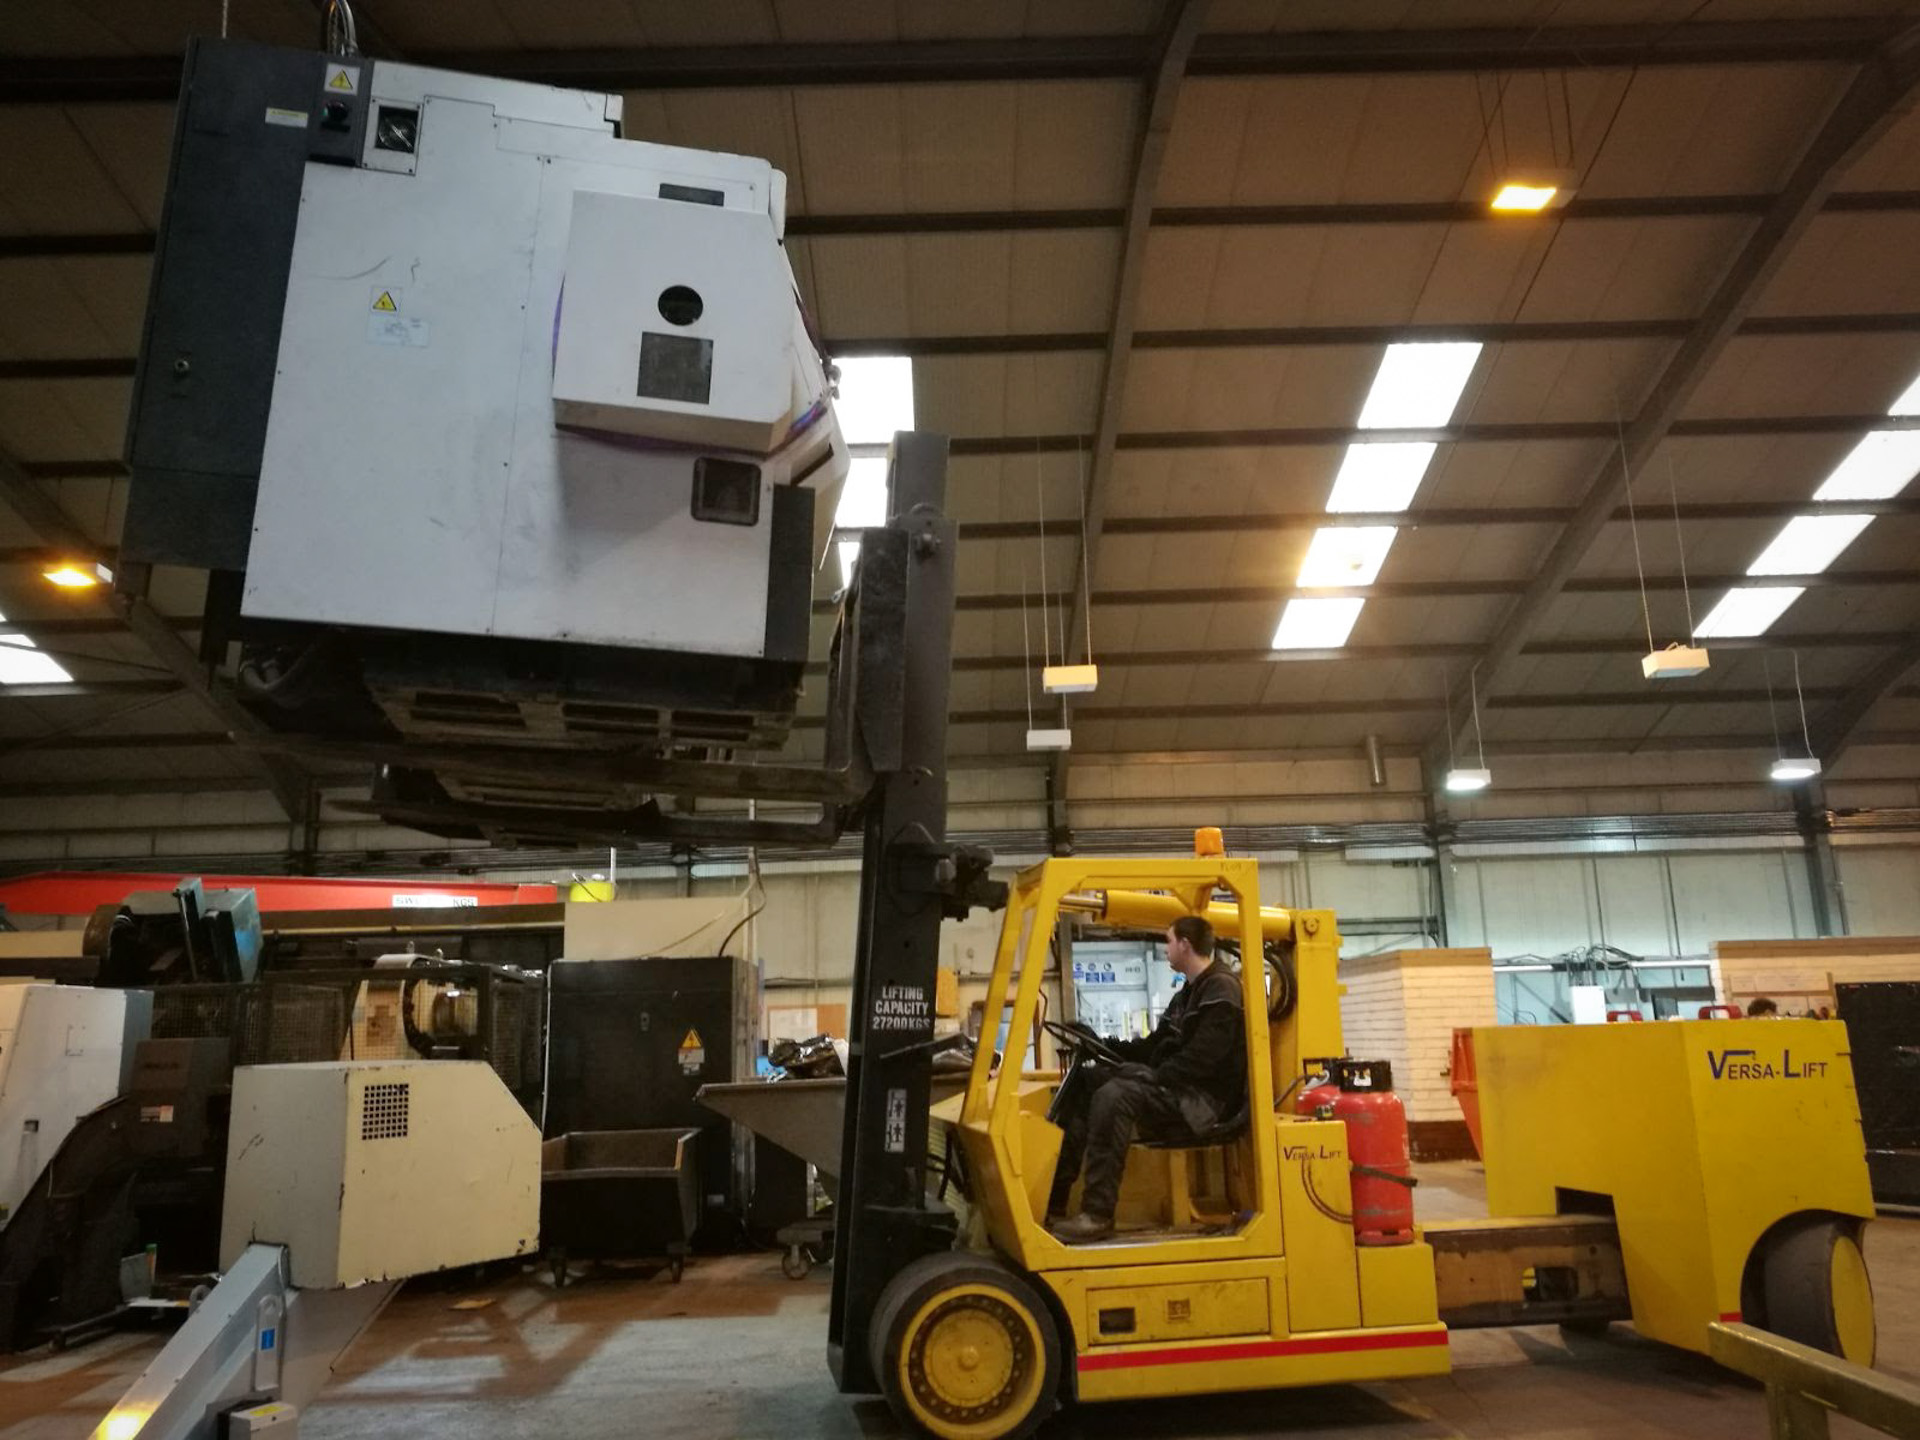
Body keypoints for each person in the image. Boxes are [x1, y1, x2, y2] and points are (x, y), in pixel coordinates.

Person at [1049, 915, 1247, 1242]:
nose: (1166, 949)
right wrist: (1103, 1043)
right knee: (1088, 1080)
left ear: (1185, 945)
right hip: (1179, 1088)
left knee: (1115, 1096)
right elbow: (1153, 1046)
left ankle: (1097, 1214)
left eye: (1168, 941)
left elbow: (1204, 1059)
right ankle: (1054, 1200)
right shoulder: (1187, 994)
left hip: (1201, 1102)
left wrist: (1153, 1076)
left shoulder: (1220, 988)